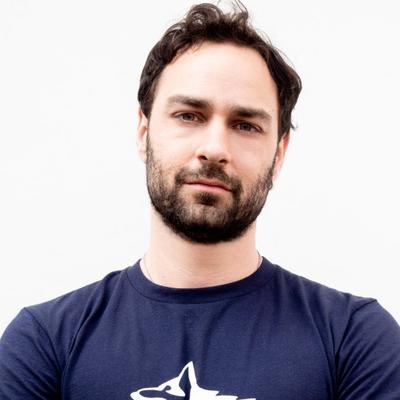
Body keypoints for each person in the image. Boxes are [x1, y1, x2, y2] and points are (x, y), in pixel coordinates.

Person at [1, 2, 399, 399]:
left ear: (279, 154)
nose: (214, 148)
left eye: (246, 125)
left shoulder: (354, 339)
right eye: (189, 115)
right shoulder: (45, 343)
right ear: (143, 133)